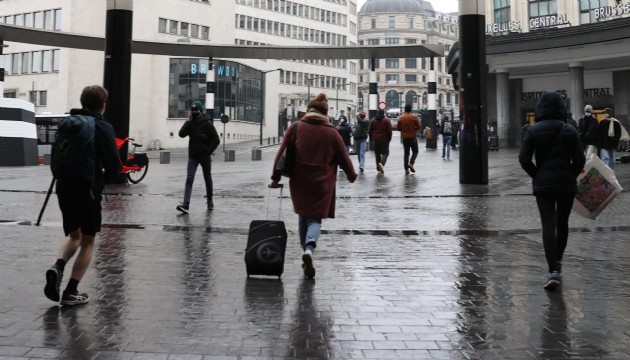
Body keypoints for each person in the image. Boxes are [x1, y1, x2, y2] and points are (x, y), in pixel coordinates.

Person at [44, 85, 120, 306]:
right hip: (87, 190)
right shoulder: (101, 126)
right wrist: (99, 183)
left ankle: (57, 266)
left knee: (74, 235)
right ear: (102, 104)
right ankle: (70, 291)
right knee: (88, 240)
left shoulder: (68, 123)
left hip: (64, 187)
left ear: (83, 101)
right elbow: (114, 166)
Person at [270, 93, 357, 279]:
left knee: (303, 214)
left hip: (300, 180)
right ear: (325, 113)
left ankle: (305, 253)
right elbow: (344, 157)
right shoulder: (332, 132)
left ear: (309, 110)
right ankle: (309, 249)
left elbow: (281, 154)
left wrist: (275, 179)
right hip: (322, 182)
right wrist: (351, 175)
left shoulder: (296, 127)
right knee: (315, 219)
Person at [519, 91, 585, 291]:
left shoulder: (532, 130)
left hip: (544, 184)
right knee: (562, 223)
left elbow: (523, 159)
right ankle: (559, 260)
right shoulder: (569, 130)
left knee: (547, 224)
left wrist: (537, 175)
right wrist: (571, 174)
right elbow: (580, 159)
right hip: (565, 184)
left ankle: (552, 270)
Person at [176, 100, 221, 214]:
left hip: (204, 156)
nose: (195, 112)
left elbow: (216, 140)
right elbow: (181, 134)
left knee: (207, 178)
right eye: (193, 110)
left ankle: (210, 200)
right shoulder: (190, 123)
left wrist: (208, 151)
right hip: (193, 156)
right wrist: (188, 121)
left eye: (196, 110)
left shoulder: (207, 123)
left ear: (200, 111)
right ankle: (186, 204)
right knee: (189, 178)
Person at [396, 104, 421, 174]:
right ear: (411, 109)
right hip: (412, 137)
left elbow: (398, 128)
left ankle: (406, 170)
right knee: (415, 151)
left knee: (406, 153)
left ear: (405, 109)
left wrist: (403, 130)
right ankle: (411, 163)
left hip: (405, 137)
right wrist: (414, 129)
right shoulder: (414, 117)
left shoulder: (401, 118)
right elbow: (419, 126)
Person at [368, 109, 392, 175]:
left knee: (377, 154)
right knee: (385, 153)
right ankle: (382, 163)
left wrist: (371, 139)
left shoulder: (373, 120)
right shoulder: (386, 120)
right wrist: (389, 139)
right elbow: (389, 130)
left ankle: (378, 169)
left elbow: (370, 130)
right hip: (384, 139)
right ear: (383, 113)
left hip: (375, 139)